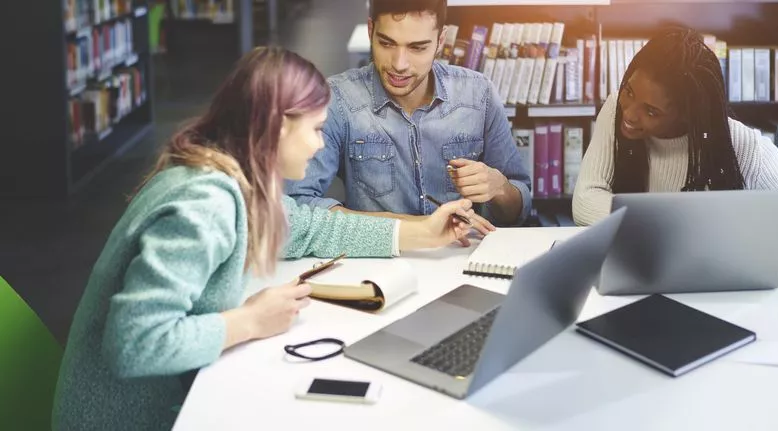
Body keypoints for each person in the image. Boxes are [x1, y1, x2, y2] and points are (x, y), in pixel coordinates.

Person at [52, 46, 477, 431]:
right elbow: (133, 345)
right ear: (276, 127)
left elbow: (311, 227)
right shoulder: (206, 202)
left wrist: (421, 232)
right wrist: (249, 321)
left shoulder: (232, 177)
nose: (318, 145)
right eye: (314, 128)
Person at [285, 0, 532, 231]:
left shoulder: (479, 94)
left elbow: (519, 211)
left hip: (461, 261)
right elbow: (294, 208)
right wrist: (417, 230)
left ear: (441, 40)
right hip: (372, 266)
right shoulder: (337, 100)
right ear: (370, 31)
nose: (399, 64)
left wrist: (499, 187)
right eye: (387, 43)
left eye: (418, 47)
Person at [572, 27, 778, 238]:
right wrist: (672, 225)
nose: (629, 114)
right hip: (639, 266)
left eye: (651, 111)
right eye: (629, 91)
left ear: (688, 116)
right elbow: (585, 201)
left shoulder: (739, 143)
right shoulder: (615, 110)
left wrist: (742, 229)